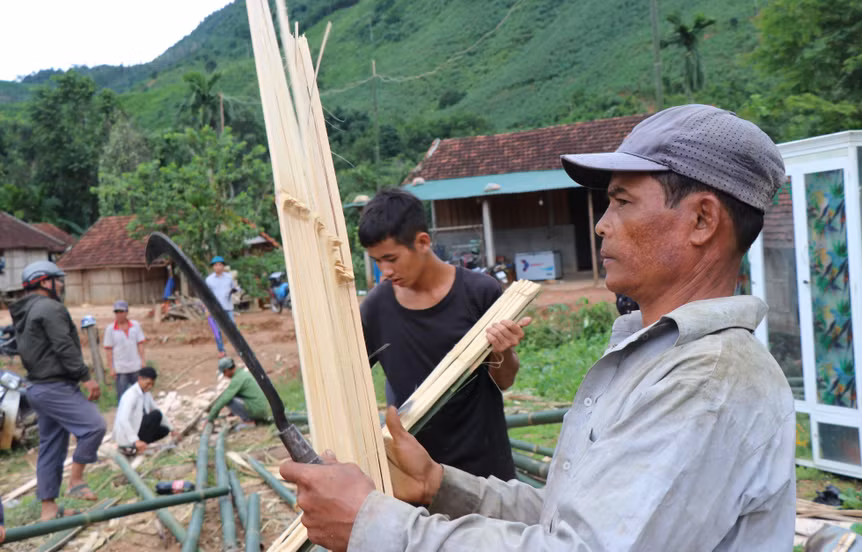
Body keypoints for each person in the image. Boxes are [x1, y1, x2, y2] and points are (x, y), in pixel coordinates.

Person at [279, 104, 796, 551]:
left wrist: (373, 526)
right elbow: (566, 517)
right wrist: (439, 483)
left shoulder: (708, 383)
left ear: (703, 221)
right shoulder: (659, 358)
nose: (601, 223)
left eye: (622, 201)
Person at [358, 189, 528, 480]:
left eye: (391, 258)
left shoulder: (479, 292)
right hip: (416, 473)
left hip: (484, 467)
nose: (383, 271)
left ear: (422, 242)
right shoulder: (376, 308)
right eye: (376, 261)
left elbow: (505, 380)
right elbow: (349, 382)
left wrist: (504, 350)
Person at [10, 261, 106, 521]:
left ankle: (48, 511)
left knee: (51, 447)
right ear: (44, 281)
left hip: (37, 388)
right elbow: (63, 345)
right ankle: (76, 481)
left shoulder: (26, 311)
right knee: (94, 426)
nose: (62, 284)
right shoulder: (49, 308)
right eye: (58, 279)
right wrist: (86, 377)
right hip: (55, 386)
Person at [114, 367, 178, 456]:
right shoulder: (131, 395)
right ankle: (134, 446)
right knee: (155, 415)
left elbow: (156, 409)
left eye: (152, 384)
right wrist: (135, 440)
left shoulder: (146, 393)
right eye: (148, 384)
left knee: (164, 430)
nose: (150, 387)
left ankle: (141, 444)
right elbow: (123, 419)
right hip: (127, 435)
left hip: (138, 428)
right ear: (140, 379)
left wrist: (172, 429)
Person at [103, 300, 147, 401]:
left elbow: (140, 344)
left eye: (121, 312)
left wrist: (143, 361)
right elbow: (109, 350)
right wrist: (111, 368)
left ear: (127, 312)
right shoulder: (110, 329)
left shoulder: (135, 326)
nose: (119, 315)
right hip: (120, 369)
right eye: (117, 312)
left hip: (135, 366)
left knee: (140, 395)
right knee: (122, 397)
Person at [208, 357, 269, 427]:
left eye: (224, 373)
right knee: (233, 396)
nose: (224, 375)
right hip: (261, 408)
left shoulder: (237, 379)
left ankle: (249, 422)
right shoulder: (242, 374)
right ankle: (255, 419)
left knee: (229, 400)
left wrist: (210, 417)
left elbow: (224, 399)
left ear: (227, 370)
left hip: (257, 409)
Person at [205, 256, 237, 357]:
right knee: (217, 331)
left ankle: (238, 348)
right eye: (216, 265)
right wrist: (207, 308)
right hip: (215, 309)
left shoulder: (229, 277)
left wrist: (234, 291)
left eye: (220, 265)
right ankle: (221, 350)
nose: (218, 267)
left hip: (228, 307)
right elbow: (206, 295)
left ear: (223, 266)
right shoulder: (209, 280)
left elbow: (234, 288)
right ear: (213, 267)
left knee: (232, 328)